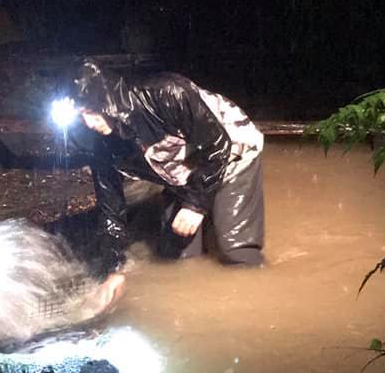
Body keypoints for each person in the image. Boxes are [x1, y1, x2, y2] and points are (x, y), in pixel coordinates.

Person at [65, 59, 265, 274]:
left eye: (91, 111)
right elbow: (112, 212)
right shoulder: (99, 144)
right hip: (180, 167)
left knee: (234, 250)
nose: (89, 123)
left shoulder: (168, 94)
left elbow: (217, 146)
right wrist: (112, 270)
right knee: (174, 256)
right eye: (80, 115)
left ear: (107, 102)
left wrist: (195, 206)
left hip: (232, 149)